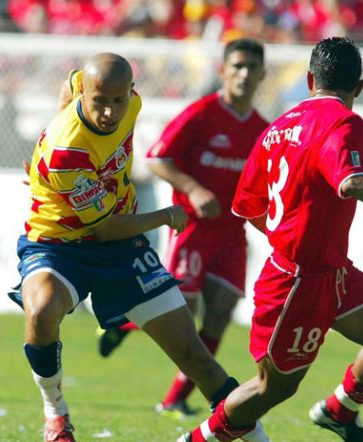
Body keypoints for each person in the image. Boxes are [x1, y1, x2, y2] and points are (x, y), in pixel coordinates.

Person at [7, 53, 316, 442]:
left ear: (130, 92)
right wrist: (168, 216)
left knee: (195, 355)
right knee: (42, 309)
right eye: (100, 101)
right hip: (60, 241)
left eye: (118, 100)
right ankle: (55, 411)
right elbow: (105, 227)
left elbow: (70, 81)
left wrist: (41, 142)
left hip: (121, 249)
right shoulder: (67, 150)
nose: (110, 111)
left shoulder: (127, 102)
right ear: (87, 94)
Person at [173, 37, 363, 442]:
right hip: (298, 281)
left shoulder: (276, 126)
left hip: (331, 271)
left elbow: (247, 207)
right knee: (274, 388)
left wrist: (289, 233)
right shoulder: (344, 121)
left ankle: (339, 409)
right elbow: (352, 182)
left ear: (310, 80)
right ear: (358, 87)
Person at [96, 39, 270, 420]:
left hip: (231, 234)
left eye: (251, 67)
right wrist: (192, 188)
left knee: (221, 312)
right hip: (193, 229)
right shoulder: (201, 114)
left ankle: (175, 396)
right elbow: (158, 158)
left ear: (262, 74)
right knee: (182, 311)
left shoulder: (262, 128)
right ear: (223, 70)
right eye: (237, 66)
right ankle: (125, 325)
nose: (243, 74)